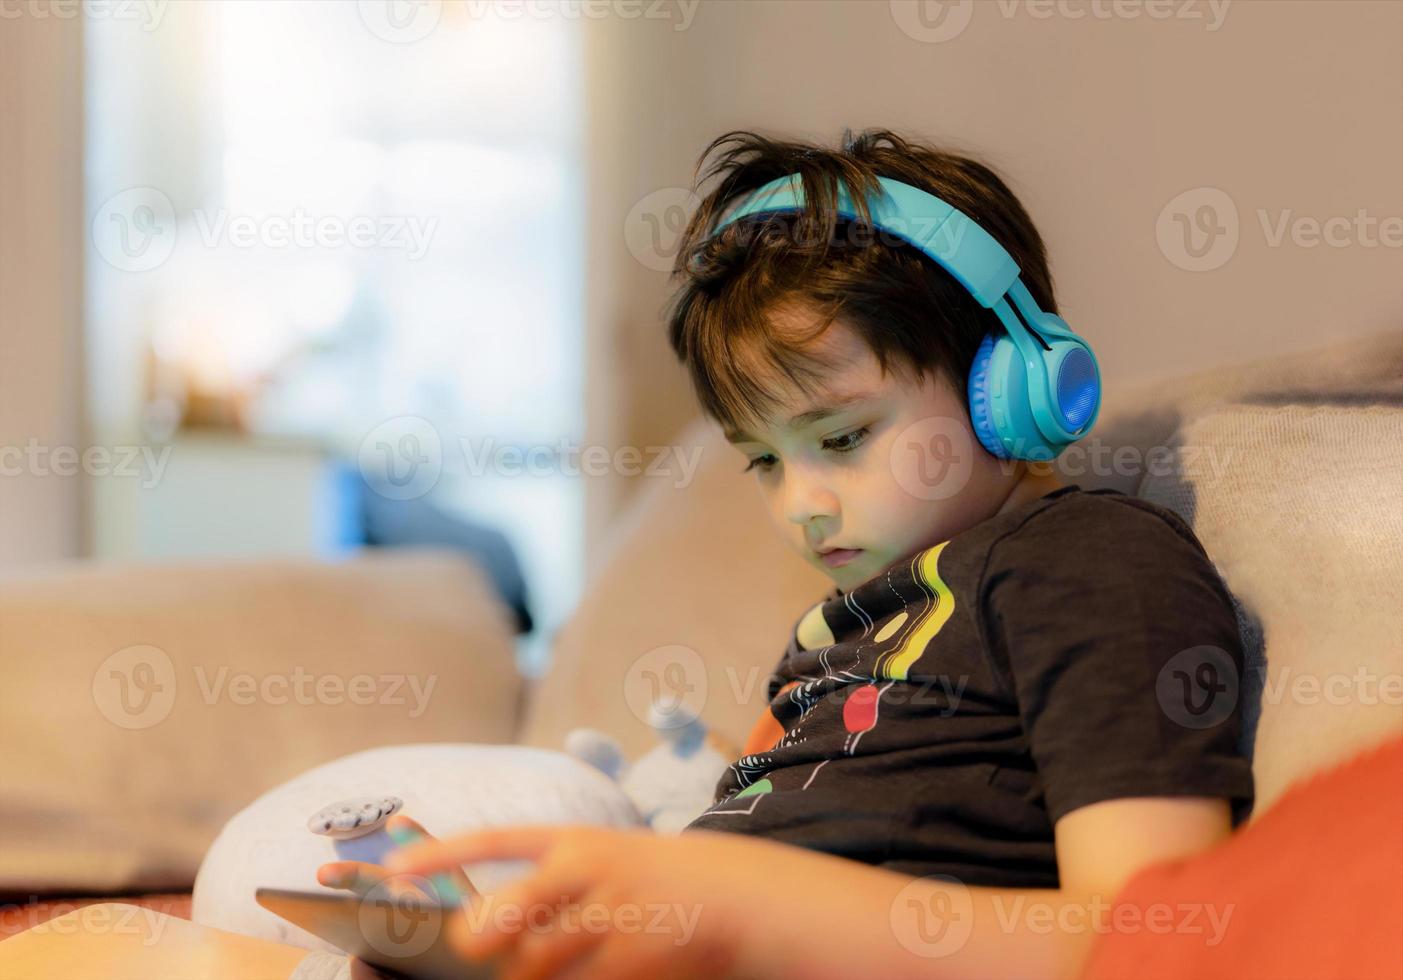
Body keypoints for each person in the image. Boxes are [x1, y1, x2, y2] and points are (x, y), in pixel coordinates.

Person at [0, 129, 1253, 980]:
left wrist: (721, 907)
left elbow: (1151, 934)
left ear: (1016, 384)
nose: (798, 504)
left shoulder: (1086, 562)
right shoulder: (855, 620)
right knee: (99, 946)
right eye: (763, 459)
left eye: (840, 434)